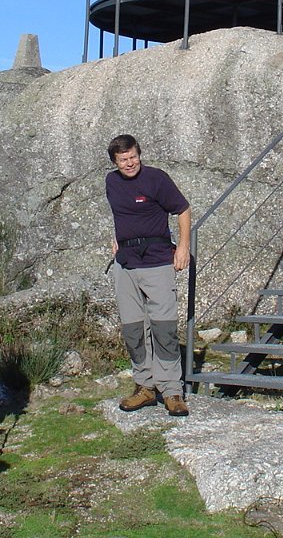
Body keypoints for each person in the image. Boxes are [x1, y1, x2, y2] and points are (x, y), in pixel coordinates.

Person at [105, 135, 191, 417]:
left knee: (163, 328)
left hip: (157, 262)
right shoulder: (111, 182)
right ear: (115, 163)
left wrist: (183, 249)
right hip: (126, 265)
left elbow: (183, 210)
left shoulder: (157, 179)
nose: (129, 163)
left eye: (132, 157)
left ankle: (172, 391)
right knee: (133, 330)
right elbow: (122, 215)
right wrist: (116, 238)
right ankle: (144, 386)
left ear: (139, 155)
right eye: (123, 160)